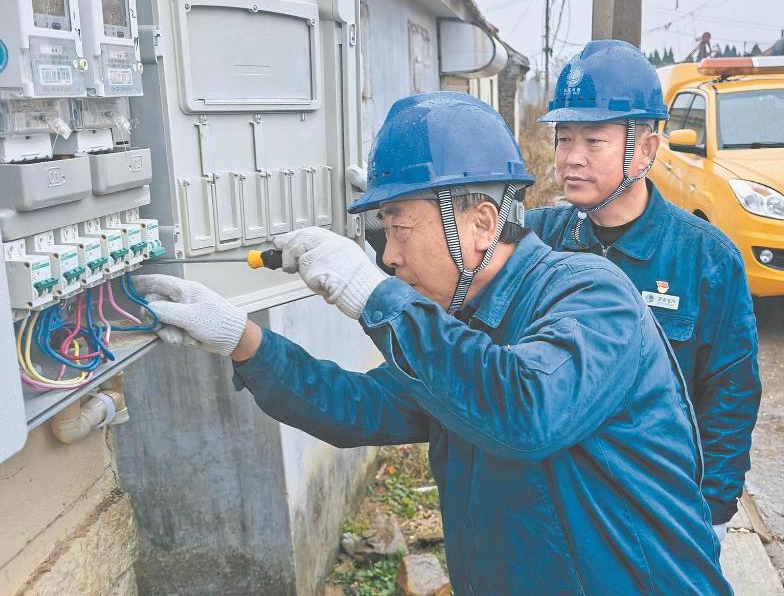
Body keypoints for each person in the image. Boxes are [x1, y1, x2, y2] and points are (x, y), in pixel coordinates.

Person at [134, 92, 731, 594]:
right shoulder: (462, 331)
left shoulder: (593, 297)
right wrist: (244, 341)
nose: (389, 257)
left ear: (478, 223)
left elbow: (526, 410)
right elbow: (357, 407)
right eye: (382, 232)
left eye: (399, 228)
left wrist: (372, 296)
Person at [524, 39, 761, 542]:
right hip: (562, 507)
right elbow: (465, 250)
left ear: (647, 148)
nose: (571, 158)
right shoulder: (537, 240)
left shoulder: (706, 259)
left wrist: (710, 512)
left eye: (593, 141)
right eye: (564, 139)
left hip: (658, 513)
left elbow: (730, 391)